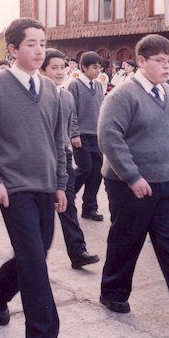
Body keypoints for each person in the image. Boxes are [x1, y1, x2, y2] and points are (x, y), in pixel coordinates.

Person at [97, 33, 169, 324]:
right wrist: (132, 176)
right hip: (130, 183)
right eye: (160, 61)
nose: (166, 67)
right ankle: (113, 292)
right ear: (141, 61)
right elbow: (109, 138)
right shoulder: (122, 95)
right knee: (128, 238)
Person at [0, 17, 67, 338]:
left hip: (44, 186)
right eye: (30, 44)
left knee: (35, 254)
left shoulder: (51, 89)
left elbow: (58, 141)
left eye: (42, 43)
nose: (39, 50)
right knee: (35, 264)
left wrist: (60, 184)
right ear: (12, 49)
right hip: (13, 189)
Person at [40, 48, 100, 269]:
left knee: (68, 205)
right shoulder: (35, 97)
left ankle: (77, 251)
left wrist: (72, 137)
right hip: (40, 160)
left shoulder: (65, 95)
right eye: (53, 68)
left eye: (62, 67)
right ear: (42, 69)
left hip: (63, 157)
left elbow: (70, 118)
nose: (59, 72)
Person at [67, 51, 105, 221]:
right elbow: (71, 111)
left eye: (99, 67)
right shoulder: (74, 85)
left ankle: (89, 208)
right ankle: (66, 196)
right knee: (85, 168)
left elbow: (102, 110)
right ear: (84, 67)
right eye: (94, 67)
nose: (98, 71)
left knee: (97, 173)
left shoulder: (98, 86)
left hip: (97, 136)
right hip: (81, 136)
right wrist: (74, 134)